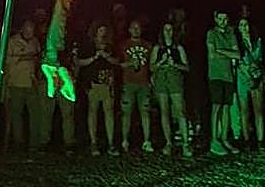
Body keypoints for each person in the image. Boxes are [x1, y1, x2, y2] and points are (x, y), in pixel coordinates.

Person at [151, 21, 192, 157]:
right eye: (165, 29)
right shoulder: (157, 48)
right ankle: (169, 143)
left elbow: (186, 67)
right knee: (164, 111)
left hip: (175, 79)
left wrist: (175, 64)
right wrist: (161, 62)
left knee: (180, 110)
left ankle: (186, 143)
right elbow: (151, 67)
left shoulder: (179, 48)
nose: (168, 32)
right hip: (161, 80)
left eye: (170, 29)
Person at [78, 24, 118, 156]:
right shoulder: (88, 46)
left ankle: (111, 143)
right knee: (92, 111)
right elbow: (79, 62)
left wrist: (106, 56)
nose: (103, 33)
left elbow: (117, 61)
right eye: (100, 30)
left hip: (107, 83)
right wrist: (94, 57)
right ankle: (93, 143)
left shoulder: (110, 45)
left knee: (109, 112)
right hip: (93, 83)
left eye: (105, 30)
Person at [207, 10, 240, 156]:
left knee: (226, 107)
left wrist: (222, 51)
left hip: (228, 76)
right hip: (216, 75)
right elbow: (212, 54)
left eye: (225, 18)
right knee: (217, 107)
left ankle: (225, 138)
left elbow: (237, 54)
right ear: (215, 19)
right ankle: (214, 139)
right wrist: (227, 53)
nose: (222, 21)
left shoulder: (230, 34)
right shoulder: (212, 34)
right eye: (220, 18)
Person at [4, 19, 41, 151]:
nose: (30, 32)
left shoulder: (35, 42)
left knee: (35, 113)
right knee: (16, 114)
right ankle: (18, 142)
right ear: (22, 29)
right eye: (28, 29)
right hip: (16, 83)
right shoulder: (12, 42)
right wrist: (23, 57)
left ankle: (34, 143)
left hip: (31, 83)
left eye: (32, 30)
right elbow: (6, 61)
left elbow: (37, 58)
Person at [118, 19, 154, 154]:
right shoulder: (123, 45)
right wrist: (130, 64)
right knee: (126, 113)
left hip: (144, 83)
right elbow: (118, 64)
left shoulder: (148, 45)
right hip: (128, 83)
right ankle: (125, 141)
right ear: (129, 30)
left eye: (138, 28)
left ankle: (147, 141)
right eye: (133, 28)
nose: (136, 30)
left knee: (145, 112)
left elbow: (151, 64)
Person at [234, 17, 265, 149]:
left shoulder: (257, 41)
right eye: (241, 25)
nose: (244, 27)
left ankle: (260, 140)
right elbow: (239, 62)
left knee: (258, 111)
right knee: (244, 110)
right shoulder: (237, 43)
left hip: (257, 75)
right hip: (243, 78)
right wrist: (249, 75)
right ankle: (247, 140)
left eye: (245, 25)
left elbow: (260, 59)